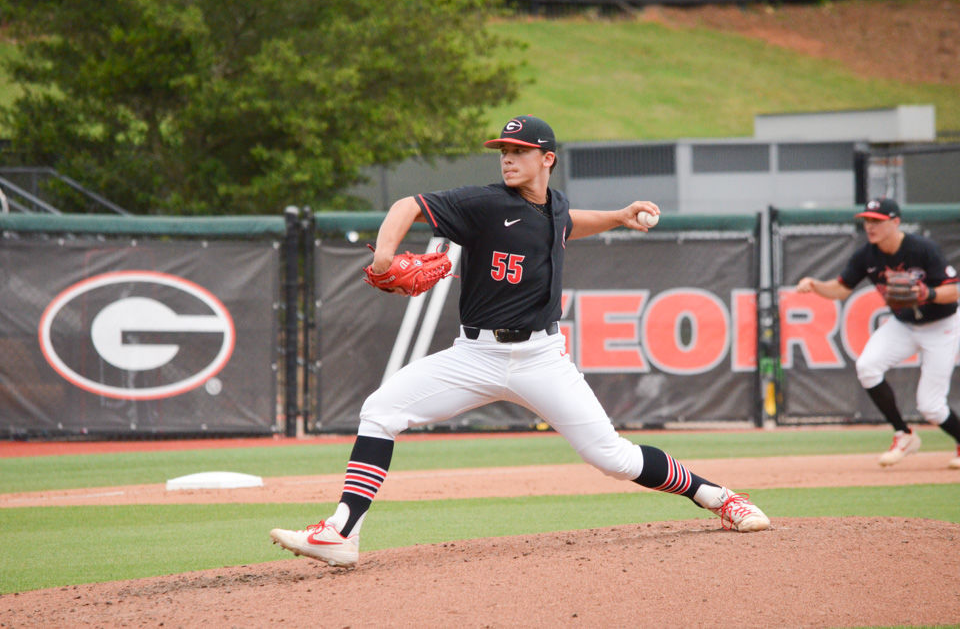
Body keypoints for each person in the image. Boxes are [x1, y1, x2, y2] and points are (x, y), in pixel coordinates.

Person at [270, 115, 770, 568]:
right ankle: (342, 532)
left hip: (541, 359)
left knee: (613, 458)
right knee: (380, 411)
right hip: (475, 355)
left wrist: (618, 216)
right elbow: (408, 205)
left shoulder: (554, 206)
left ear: (546, 159)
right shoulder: (486, 204)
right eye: (503, 151)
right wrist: (384, 256)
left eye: (519, 150)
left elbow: (566, 223)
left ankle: (719, 497)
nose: (507, 158)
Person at [796, 197, 960, 468]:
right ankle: (904, 434)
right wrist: (815, 285)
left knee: (931, 407)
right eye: (867, 221)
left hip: (941, 325)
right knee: (867, 366)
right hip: (904, 324)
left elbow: (953, 291)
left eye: (877, 221)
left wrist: (927, 293)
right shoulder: (866, 256)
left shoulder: (922, 248)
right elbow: (841, 289)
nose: (870, 226)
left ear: (895, 222)